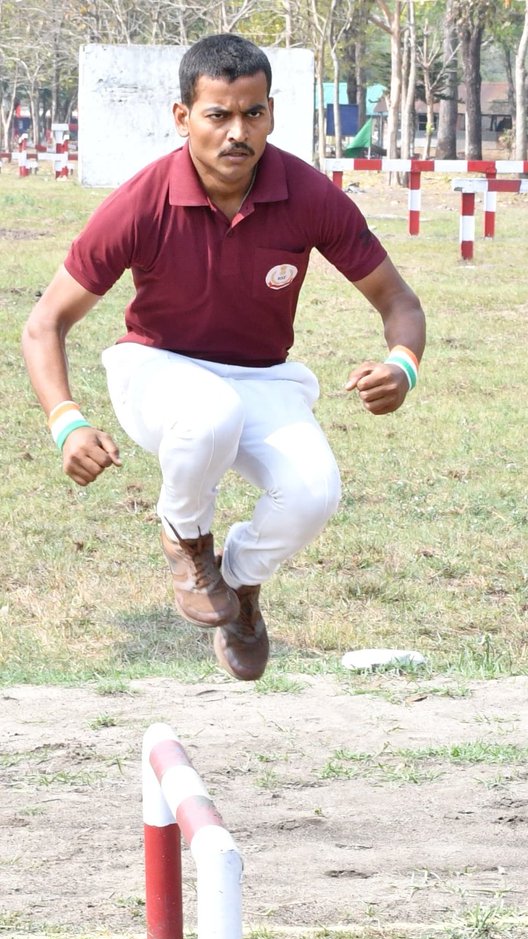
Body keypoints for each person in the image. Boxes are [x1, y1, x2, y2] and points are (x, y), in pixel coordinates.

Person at [22, 33, 426, 682]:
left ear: (271, 112)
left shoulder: (308, 193)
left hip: (264, 375)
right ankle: (184, 537)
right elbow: (46, 323)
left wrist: (402, 363)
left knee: (314, 493)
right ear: (182, 118)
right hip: (155, 369)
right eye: (218, 115)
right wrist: (66, 421)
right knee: (212, 411)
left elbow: (400, 304)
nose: (238, 132)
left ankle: (236, 584)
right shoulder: (141, 200)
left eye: (254, 113)